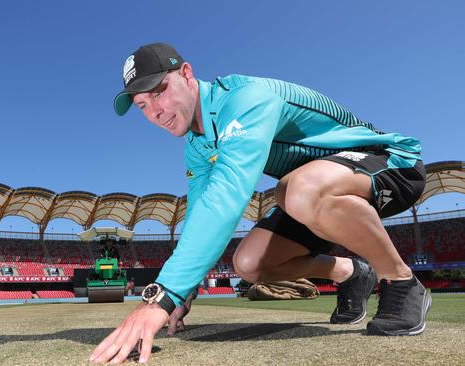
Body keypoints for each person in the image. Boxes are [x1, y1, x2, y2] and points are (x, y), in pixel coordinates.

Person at [90, 42, 430, 364]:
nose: (155, 113)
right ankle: (352, 274)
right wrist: (186, 289)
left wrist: (161, 298)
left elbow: (227, 197)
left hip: (388, 164)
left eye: (159, 92)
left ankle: (401, 281)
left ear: (187, 74)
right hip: (314, 192)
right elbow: (201, 212)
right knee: (249, 264)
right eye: (143, 106)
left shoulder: (245, 98)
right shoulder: (197, 145)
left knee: (294, 190)